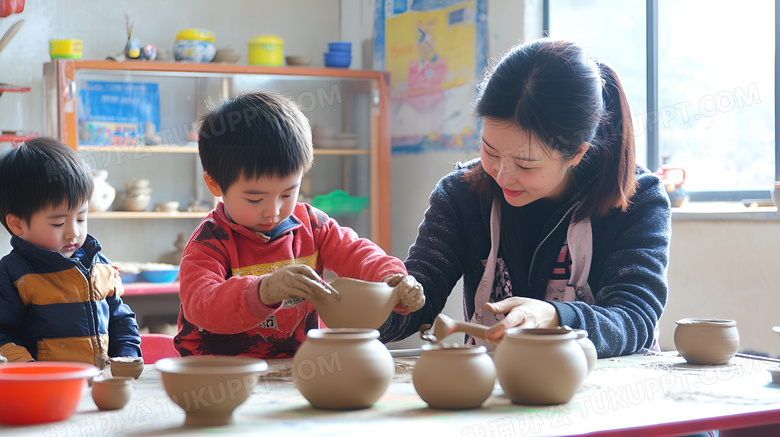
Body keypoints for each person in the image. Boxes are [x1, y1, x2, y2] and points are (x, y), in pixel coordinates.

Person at [379, 39, 671, 358]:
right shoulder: (461, 196)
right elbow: (420, 295)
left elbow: (634, 319)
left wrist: (555, 317)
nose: (502, 174)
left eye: (525, 164)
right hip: (495, 388)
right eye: (489, 151)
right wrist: (367, 306)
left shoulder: (638, 201)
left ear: (576, 154)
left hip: (604, 391)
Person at [175, 91, 425, 358]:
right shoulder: (210, 242)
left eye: (287, 194)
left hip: (290, 363)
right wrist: (264, 291)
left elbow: (356, 252)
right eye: (255, 198)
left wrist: (391, 278)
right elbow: (201, 304)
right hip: (218, 369)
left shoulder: (312, 226)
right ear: (214, 184)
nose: (273, 211)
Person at [0, 137, 142, 367]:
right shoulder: (13, 274)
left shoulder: (100, 265)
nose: (73, 232)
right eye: (58, 224)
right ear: (17, 225)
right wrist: (28, 369)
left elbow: (121, 319)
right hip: (45, 389)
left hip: (99, 382)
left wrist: (126, 355)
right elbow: (3, 333)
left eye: (81, 218)